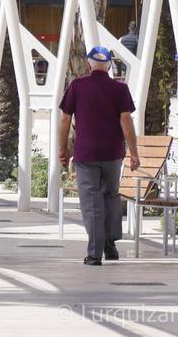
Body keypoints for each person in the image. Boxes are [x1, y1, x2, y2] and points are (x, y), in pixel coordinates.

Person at [58, 46, 140, 266]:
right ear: (109, 66)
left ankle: (94, 254)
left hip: (86, 154)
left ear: (88, 64)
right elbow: (126, 121)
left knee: (91, 200)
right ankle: (110, 245)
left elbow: (65, 119)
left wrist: (62, 148)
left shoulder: (77, 86)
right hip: (112, 153)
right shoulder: (120, 89)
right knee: (111, 196)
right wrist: (133, 153)